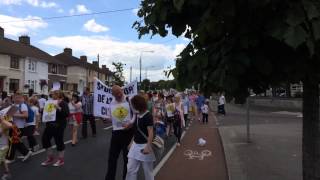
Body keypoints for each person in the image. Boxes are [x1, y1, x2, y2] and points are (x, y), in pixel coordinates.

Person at [105, 85, 134, 180]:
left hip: (128, 133)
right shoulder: (112, 102)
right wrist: (106, 120)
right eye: (116, 93)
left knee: (127, 159)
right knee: (112, 158)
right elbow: (111, 118)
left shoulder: (129, 100)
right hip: (116, 133)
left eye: (119, 92)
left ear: (122, 90)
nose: (118, 94)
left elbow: (136, 116)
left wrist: (130, 124)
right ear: (112, 94)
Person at [125, 95, 155, 180]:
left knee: (148, 171)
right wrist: (131, 142)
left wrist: (148, 146)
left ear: (138, 105)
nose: (132, 106)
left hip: (144, 146)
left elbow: (150, 132)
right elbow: (136, 131)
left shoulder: (148, 115)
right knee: (130, 169)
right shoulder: (137, 115)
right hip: (135, 145)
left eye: (133, 104)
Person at [41, 91, 69, 167]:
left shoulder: (63, 103)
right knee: (45, 139)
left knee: (58, 141)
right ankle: (50, 158)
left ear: (58, 95)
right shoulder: (49, 102)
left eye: (53, 94)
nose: (52, 95)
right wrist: (44, 110)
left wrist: (58, 107)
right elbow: (46, 112)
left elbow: (66, 114)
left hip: (59, 125)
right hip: (50, 124)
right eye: (52, 94)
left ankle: (61, 159)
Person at [6, 92, 32, 163]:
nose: (16, 99)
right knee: (15, 142)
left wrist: (14, 114)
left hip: (19, 127)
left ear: (21, 98)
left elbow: (26, 115)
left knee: (13, 142)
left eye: (18, 97)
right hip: (13, 126)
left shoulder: (23, 105)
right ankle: (26, 152)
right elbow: (9, 115)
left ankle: (10, 158)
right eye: (15, 97)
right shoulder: (13, 105)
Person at [0, 110, 13, 180]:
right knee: (3, 160)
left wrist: (2, 120)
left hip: (3, 147)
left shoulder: (4, 125)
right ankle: (7, 173)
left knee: (2, 159)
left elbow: (10, 125)